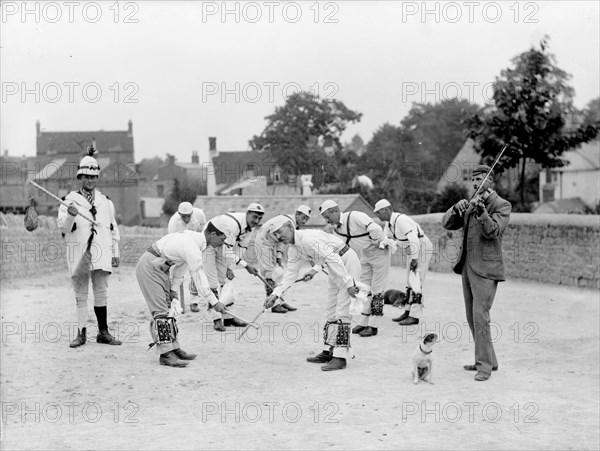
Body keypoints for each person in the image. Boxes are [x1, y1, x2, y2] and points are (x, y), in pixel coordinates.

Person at [442, 164, 512, 382]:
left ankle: (484, 367)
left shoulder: (501, 205)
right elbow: (447, 224)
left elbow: (492, 232)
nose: (475, 184)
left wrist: (482, 212)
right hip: (467, 266)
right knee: (472, 317)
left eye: (480, 180)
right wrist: (456, 209)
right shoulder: (471, 202)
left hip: (486, 269)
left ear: (490, 181)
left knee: (481, 317)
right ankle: (489, 359)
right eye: (473, 180)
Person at [266, 219, 361, 371]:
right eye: (275, 234)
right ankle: (329, 351)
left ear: (290, 227)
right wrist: (276, 293)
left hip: (346, 262)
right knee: (331, 310)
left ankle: (340, 357)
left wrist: (349, 283)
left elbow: (333, 257)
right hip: (334, 267)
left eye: (279, 232)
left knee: (343, 311)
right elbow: (290, 274)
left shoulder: (308, 238)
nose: (278, 237)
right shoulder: (293, 249)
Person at [135, 220, 232, 367]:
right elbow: (199, 276)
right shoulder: (191, 245)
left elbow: (180, 267)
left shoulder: (195, 241)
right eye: (222, 239)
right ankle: (166, 355)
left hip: (162, 268)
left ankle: (174, 348)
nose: (222, 243)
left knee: (170, 310)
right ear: (213, 234)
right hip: (150, 267)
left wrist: (173, 289)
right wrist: (214, 302)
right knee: (161, 313)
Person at [57, 150, 121, 348]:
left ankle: (103, 332)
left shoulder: (106, 202)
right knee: (81, 294)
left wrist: (115, 252)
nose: (90, 180)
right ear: (80, 177)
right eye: (86, 177)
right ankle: (81, 333)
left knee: (101, 292)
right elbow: (63, 228)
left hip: (101, 252)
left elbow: (112, 228)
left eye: (94, 177)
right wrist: (70, 215)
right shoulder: (69, 201)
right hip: (80, 253)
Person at [319, 200, 390, 338]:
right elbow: (338, 248)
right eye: (325, 218)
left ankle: (374, 325)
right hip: (365, 254)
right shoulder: (336, 229)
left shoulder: (355, 216)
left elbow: (375, 229)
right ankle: (363, 322)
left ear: (335, 211)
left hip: (380, 252)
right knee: (363, 288)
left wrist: (376, 242)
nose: (327, 220)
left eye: (327, 216)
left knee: (377, 290)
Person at [200, 203, 265, 331]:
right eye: (254, 217)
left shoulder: (249, 229)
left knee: (226, 280)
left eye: (259, 219)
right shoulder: (233, 224)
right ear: (247, 214)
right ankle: (216, 319)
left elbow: (241, 249)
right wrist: (246, 266)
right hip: (208, 244)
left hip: (222, 246)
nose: (256, 221)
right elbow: (226, 251)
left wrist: (231, 268)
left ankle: (228, 318)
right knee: (212, 282)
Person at [373, 199, 433, 326]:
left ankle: (414, 316)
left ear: (387, 209)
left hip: (421, 247)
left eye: (379, 212)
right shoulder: (388, 225)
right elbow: (386, 241)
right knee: (409, 282)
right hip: (411, 251)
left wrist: (415, 259)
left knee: (416, 282)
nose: (378, 216)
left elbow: (414, 239)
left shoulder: (401, 220)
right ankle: (407, 311)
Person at [254, 205, 312, 313]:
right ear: (297, 214)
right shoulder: (288, 222)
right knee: (270, 273)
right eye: (303, 217)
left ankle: (281, 300)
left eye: (307, 219)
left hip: (272, 244)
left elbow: (282, 240)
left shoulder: (290, 223)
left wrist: (279, 257)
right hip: (264, 243)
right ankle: (273, 305)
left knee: (280, 273)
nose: (305, 221)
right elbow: (282, 240)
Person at [167, 202, 208, 313]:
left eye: (188, 216)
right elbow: (172, 241)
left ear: (192, 213)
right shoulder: (173, 223)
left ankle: (194, 300)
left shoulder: (199, 215)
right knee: (177, 273)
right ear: (179, 213)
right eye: (183, 216)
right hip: (180, 247)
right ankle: (177, 302)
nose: (186, 219)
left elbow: (203, 233)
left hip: (195, 244)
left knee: (196, 271)